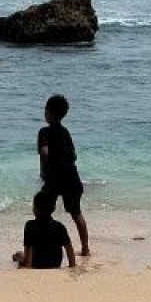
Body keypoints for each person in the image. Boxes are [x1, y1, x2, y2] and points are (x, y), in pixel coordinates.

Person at [37, 94, 90, 256]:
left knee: (43, 211)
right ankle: (85, 248)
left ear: (48, 112)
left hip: (53, 177)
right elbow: (74, 156)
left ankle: (43, 247)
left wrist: (44, 170)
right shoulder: (65, 132)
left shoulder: (44, 132)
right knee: (76, 213)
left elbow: (44, 152)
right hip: (70, 176)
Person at [13, 190, 77, 269]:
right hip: (55, 265)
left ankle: (16, 256)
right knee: (19, 255)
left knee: (18, 255)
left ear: (36, 209)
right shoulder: (60, 226)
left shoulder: (30, 226)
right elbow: (71, 257)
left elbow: (28, 264)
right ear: (53, 208)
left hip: (36, 264)